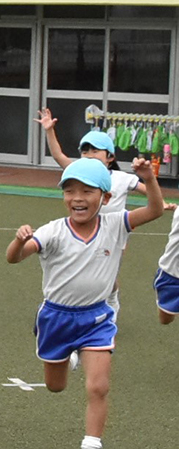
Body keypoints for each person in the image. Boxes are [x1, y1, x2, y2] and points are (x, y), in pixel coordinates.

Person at [6, 157, 165, 449]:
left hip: (97, 318)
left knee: (99, 386)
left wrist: (148, 179)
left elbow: (155, 210)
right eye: (70, 191)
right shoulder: (52, 230)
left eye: (87, 191)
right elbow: (15, 257)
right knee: (56, 385)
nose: (77, 198)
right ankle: (70, 358)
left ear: (105, 198)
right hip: (56, 318)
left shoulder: (116, 223)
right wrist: (19, 240)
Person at [38, 113, 149, 316]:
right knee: (81, 268)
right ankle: (74, 304)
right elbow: (57, 155)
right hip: (84, 229)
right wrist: (49, 130)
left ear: (110, 157)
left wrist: (162, 200)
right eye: (85, 150)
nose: (89, 154)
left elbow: (148, 191)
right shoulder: (77, 171)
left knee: (109, 274)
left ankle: (111, 298)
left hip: (114, 232)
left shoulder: (122, 178)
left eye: (95, 150)